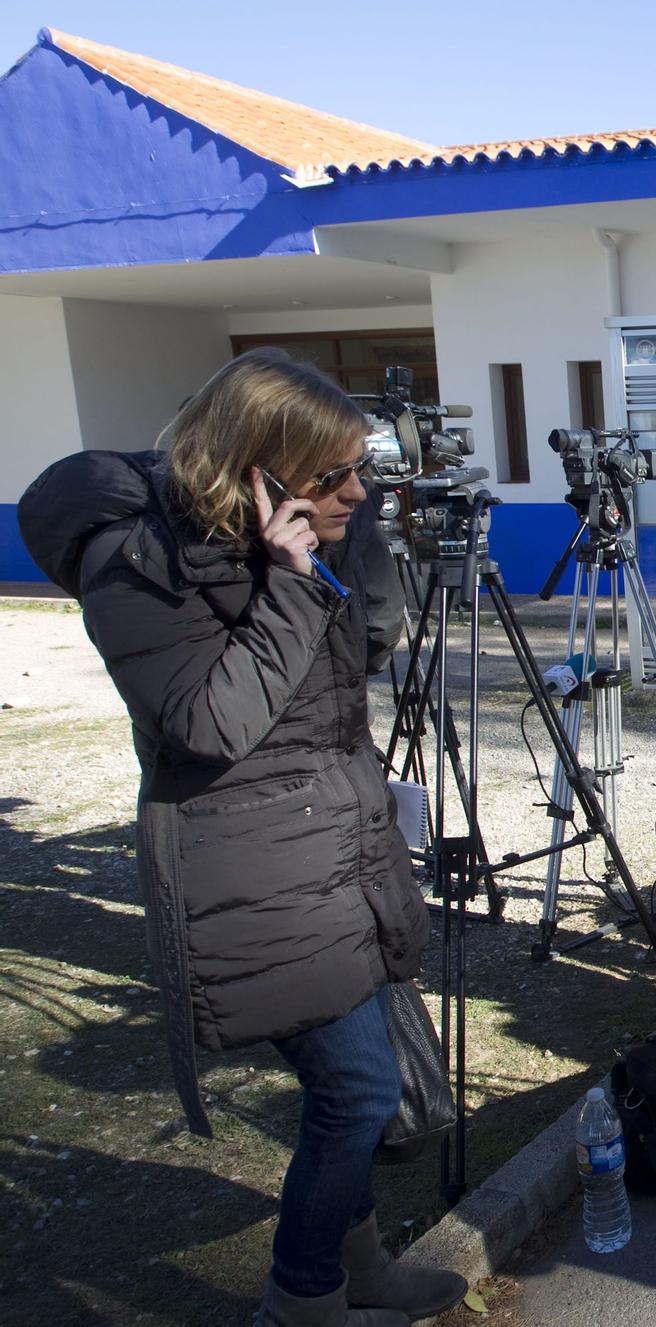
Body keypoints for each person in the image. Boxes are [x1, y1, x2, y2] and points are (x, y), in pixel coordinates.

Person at [17, 348, 464, 1326]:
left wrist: (359, 544)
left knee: (360, 1086)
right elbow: (206, 725)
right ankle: (302, 1299)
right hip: (254, 872)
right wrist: (297, 584)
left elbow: (363, 653)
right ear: (255, 471)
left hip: (339, 844)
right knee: (354, 1091)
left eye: (363, 472)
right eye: (333, 476)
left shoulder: (310, 542)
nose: (355, 490)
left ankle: (362, 1270)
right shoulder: (137, 561)